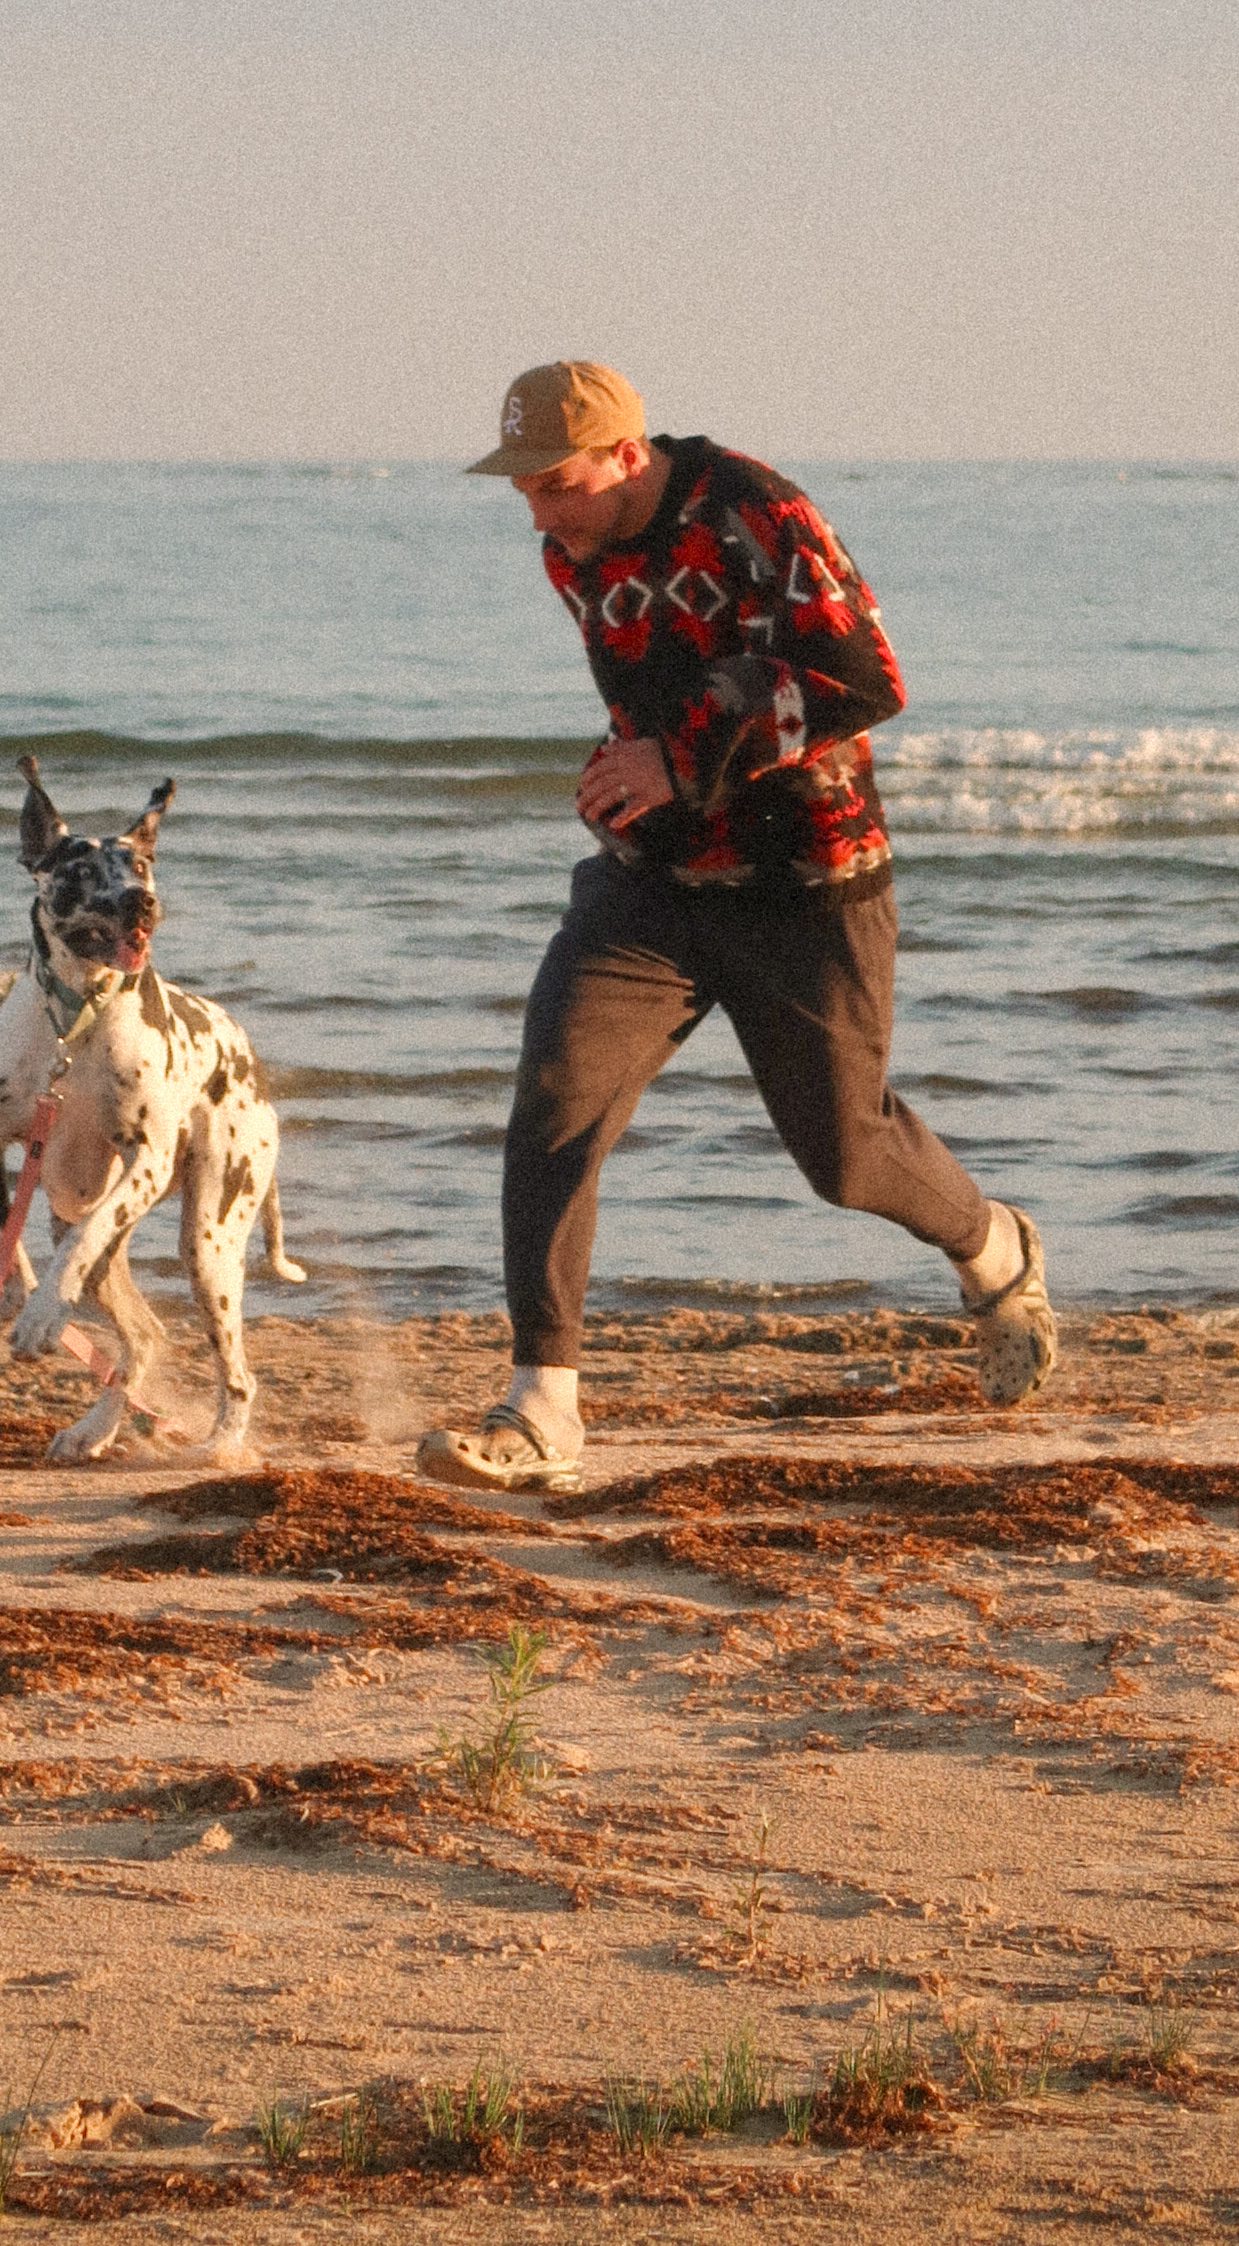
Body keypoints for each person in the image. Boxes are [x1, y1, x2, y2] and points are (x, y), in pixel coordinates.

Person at [421, 355, 1061, 1491]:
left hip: (807, 883)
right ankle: (543, 1408)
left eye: (554, 482)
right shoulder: (569, 549)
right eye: (519, 487)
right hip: (653, 884)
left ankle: (994, 1245)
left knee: (846, 1154)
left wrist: (676, 759)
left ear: (627, 454)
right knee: (557, 1094)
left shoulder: (759, 515)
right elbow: (659, 688)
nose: (536, 510)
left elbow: (864, 681)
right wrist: (631, 775)